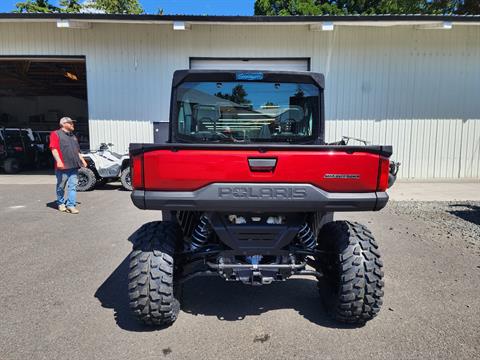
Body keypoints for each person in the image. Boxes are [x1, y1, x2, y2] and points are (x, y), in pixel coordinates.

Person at [49, 117, 87, 214]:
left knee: (73, 186)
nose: (72, 125)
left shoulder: (73, 136)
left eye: (72, 123)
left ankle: (71, 205)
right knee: (61, 186)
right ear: (63, 124)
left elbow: (77, 151)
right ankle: (61, 203)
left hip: (74, 166)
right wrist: (58, 161)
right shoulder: (56, 134)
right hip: (63, 167)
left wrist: (82, 160)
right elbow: (54, 148)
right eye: (70, 123)